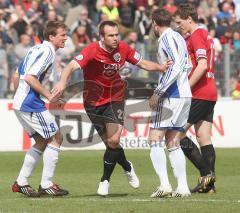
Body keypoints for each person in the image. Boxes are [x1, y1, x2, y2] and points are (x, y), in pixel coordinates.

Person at [51, 20, 171, 196]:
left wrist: (161, 67)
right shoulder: (92, 50)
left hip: (115, 99)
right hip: (92, 103)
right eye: (111, 35)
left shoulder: (123, 48)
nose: (115, 39)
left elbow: (143, 63)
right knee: (110, 144)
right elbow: (70, 66)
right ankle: (127, 166)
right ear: (102, 37)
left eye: (117, 35)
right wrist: (62, 82)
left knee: (114, 141)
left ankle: (104, 180)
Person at [12, 21, 69, 197]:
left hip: (22, 101)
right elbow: (30, 77)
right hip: (29, 103)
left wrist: (19, 96)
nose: (65, 38)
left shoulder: (35, 49)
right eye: (62, 35)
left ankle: (21, 182)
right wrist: (49, 95)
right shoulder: (47, 52)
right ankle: (46, 184)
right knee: (56, 137)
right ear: (51, 37)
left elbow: (17, 74)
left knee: (42, 140)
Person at [173, 3, 217, 193]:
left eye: (179, 22)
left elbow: (202, 65)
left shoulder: (197, 35)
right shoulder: (206, 35)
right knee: (203, 137)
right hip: (210, 91)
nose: (177, 25)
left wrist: (186, 87)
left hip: (199, 93)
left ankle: (207, 174)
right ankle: (209, 185)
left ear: (189, 19)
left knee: (177, 136)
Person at [148, 9, 192, 198]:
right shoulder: (180, 37)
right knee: (173, 140)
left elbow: (175, 67)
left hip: (171, 94)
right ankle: (182, 188)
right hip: (184, 93)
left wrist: (159, 91)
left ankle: (165, 185)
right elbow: (187, 65)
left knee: (154, 139)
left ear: (154, 23)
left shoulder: (166, 38)